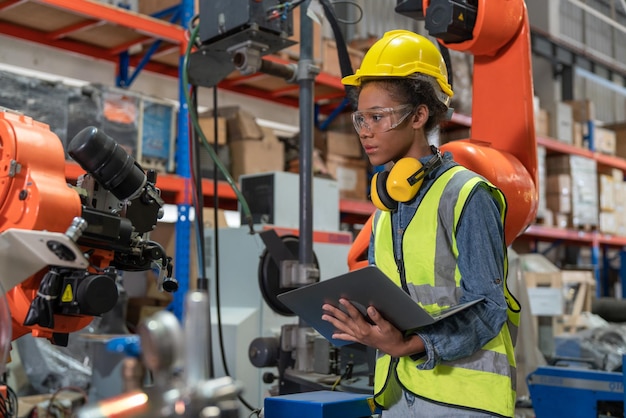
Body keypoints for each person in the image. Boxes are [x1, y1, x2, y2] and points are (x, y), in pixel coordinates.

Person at [321, 30, 521, 418]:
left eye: (378, 117)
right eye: (361, 117)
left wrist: (407, 345)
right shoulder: (387, 204)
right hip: (397, 395)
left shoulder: (466, 194)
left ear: (418, 115)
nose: (364, 129)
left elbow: (490, 308)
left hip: (462, 401)